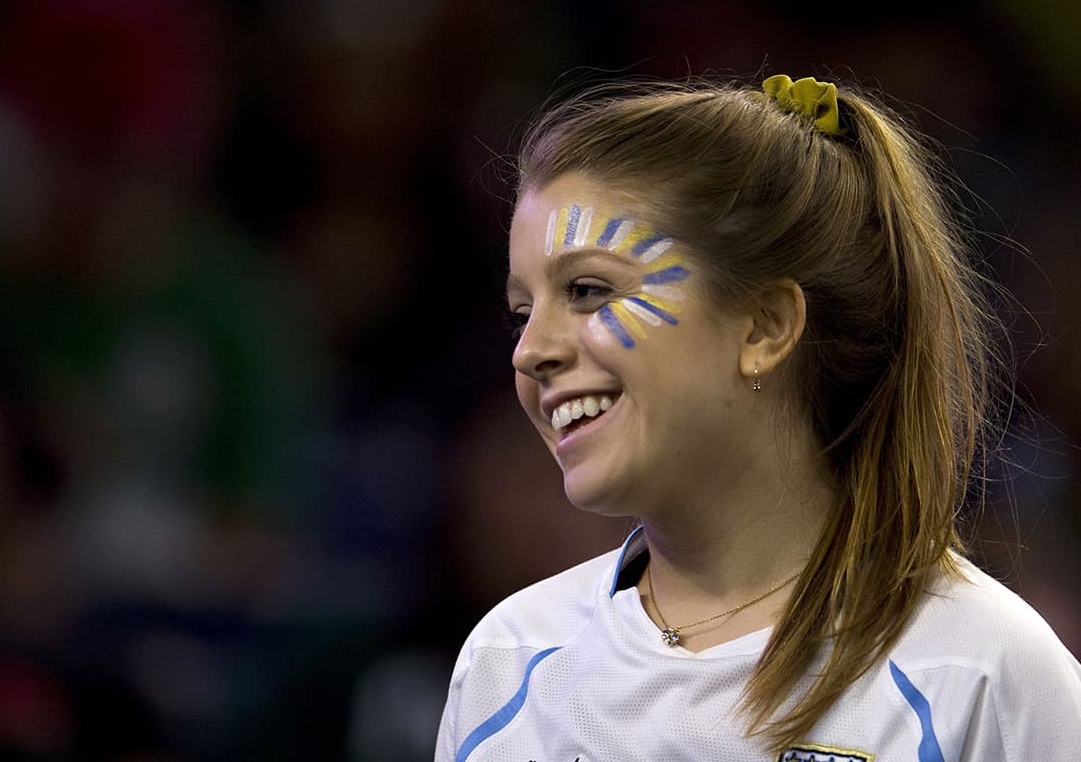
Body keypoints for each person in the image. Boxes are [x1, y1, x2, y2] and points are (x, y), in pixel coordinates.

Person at [434, 74, 1081, 761]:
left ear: (765, 327)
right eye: (521, 312)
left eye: (589, 290)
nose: (530, 352)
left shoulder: (980, 674)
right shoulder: (509, 662)